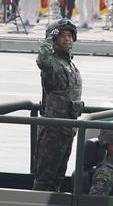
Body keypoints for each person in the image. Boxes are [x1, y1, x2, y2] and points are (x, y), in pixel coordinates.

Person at [33, 19, 83, 191]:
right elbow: (42, 61)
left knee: (58, 176)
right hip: (53, 130)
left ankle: (54, 205)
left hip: (68, 129)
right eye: (62, 36)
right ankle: (39, 205)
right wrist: (48, 41)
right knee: (45, 178)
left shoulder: (69, 64)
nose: (67, 39)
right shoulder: (53, 62)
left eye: (69, 35)